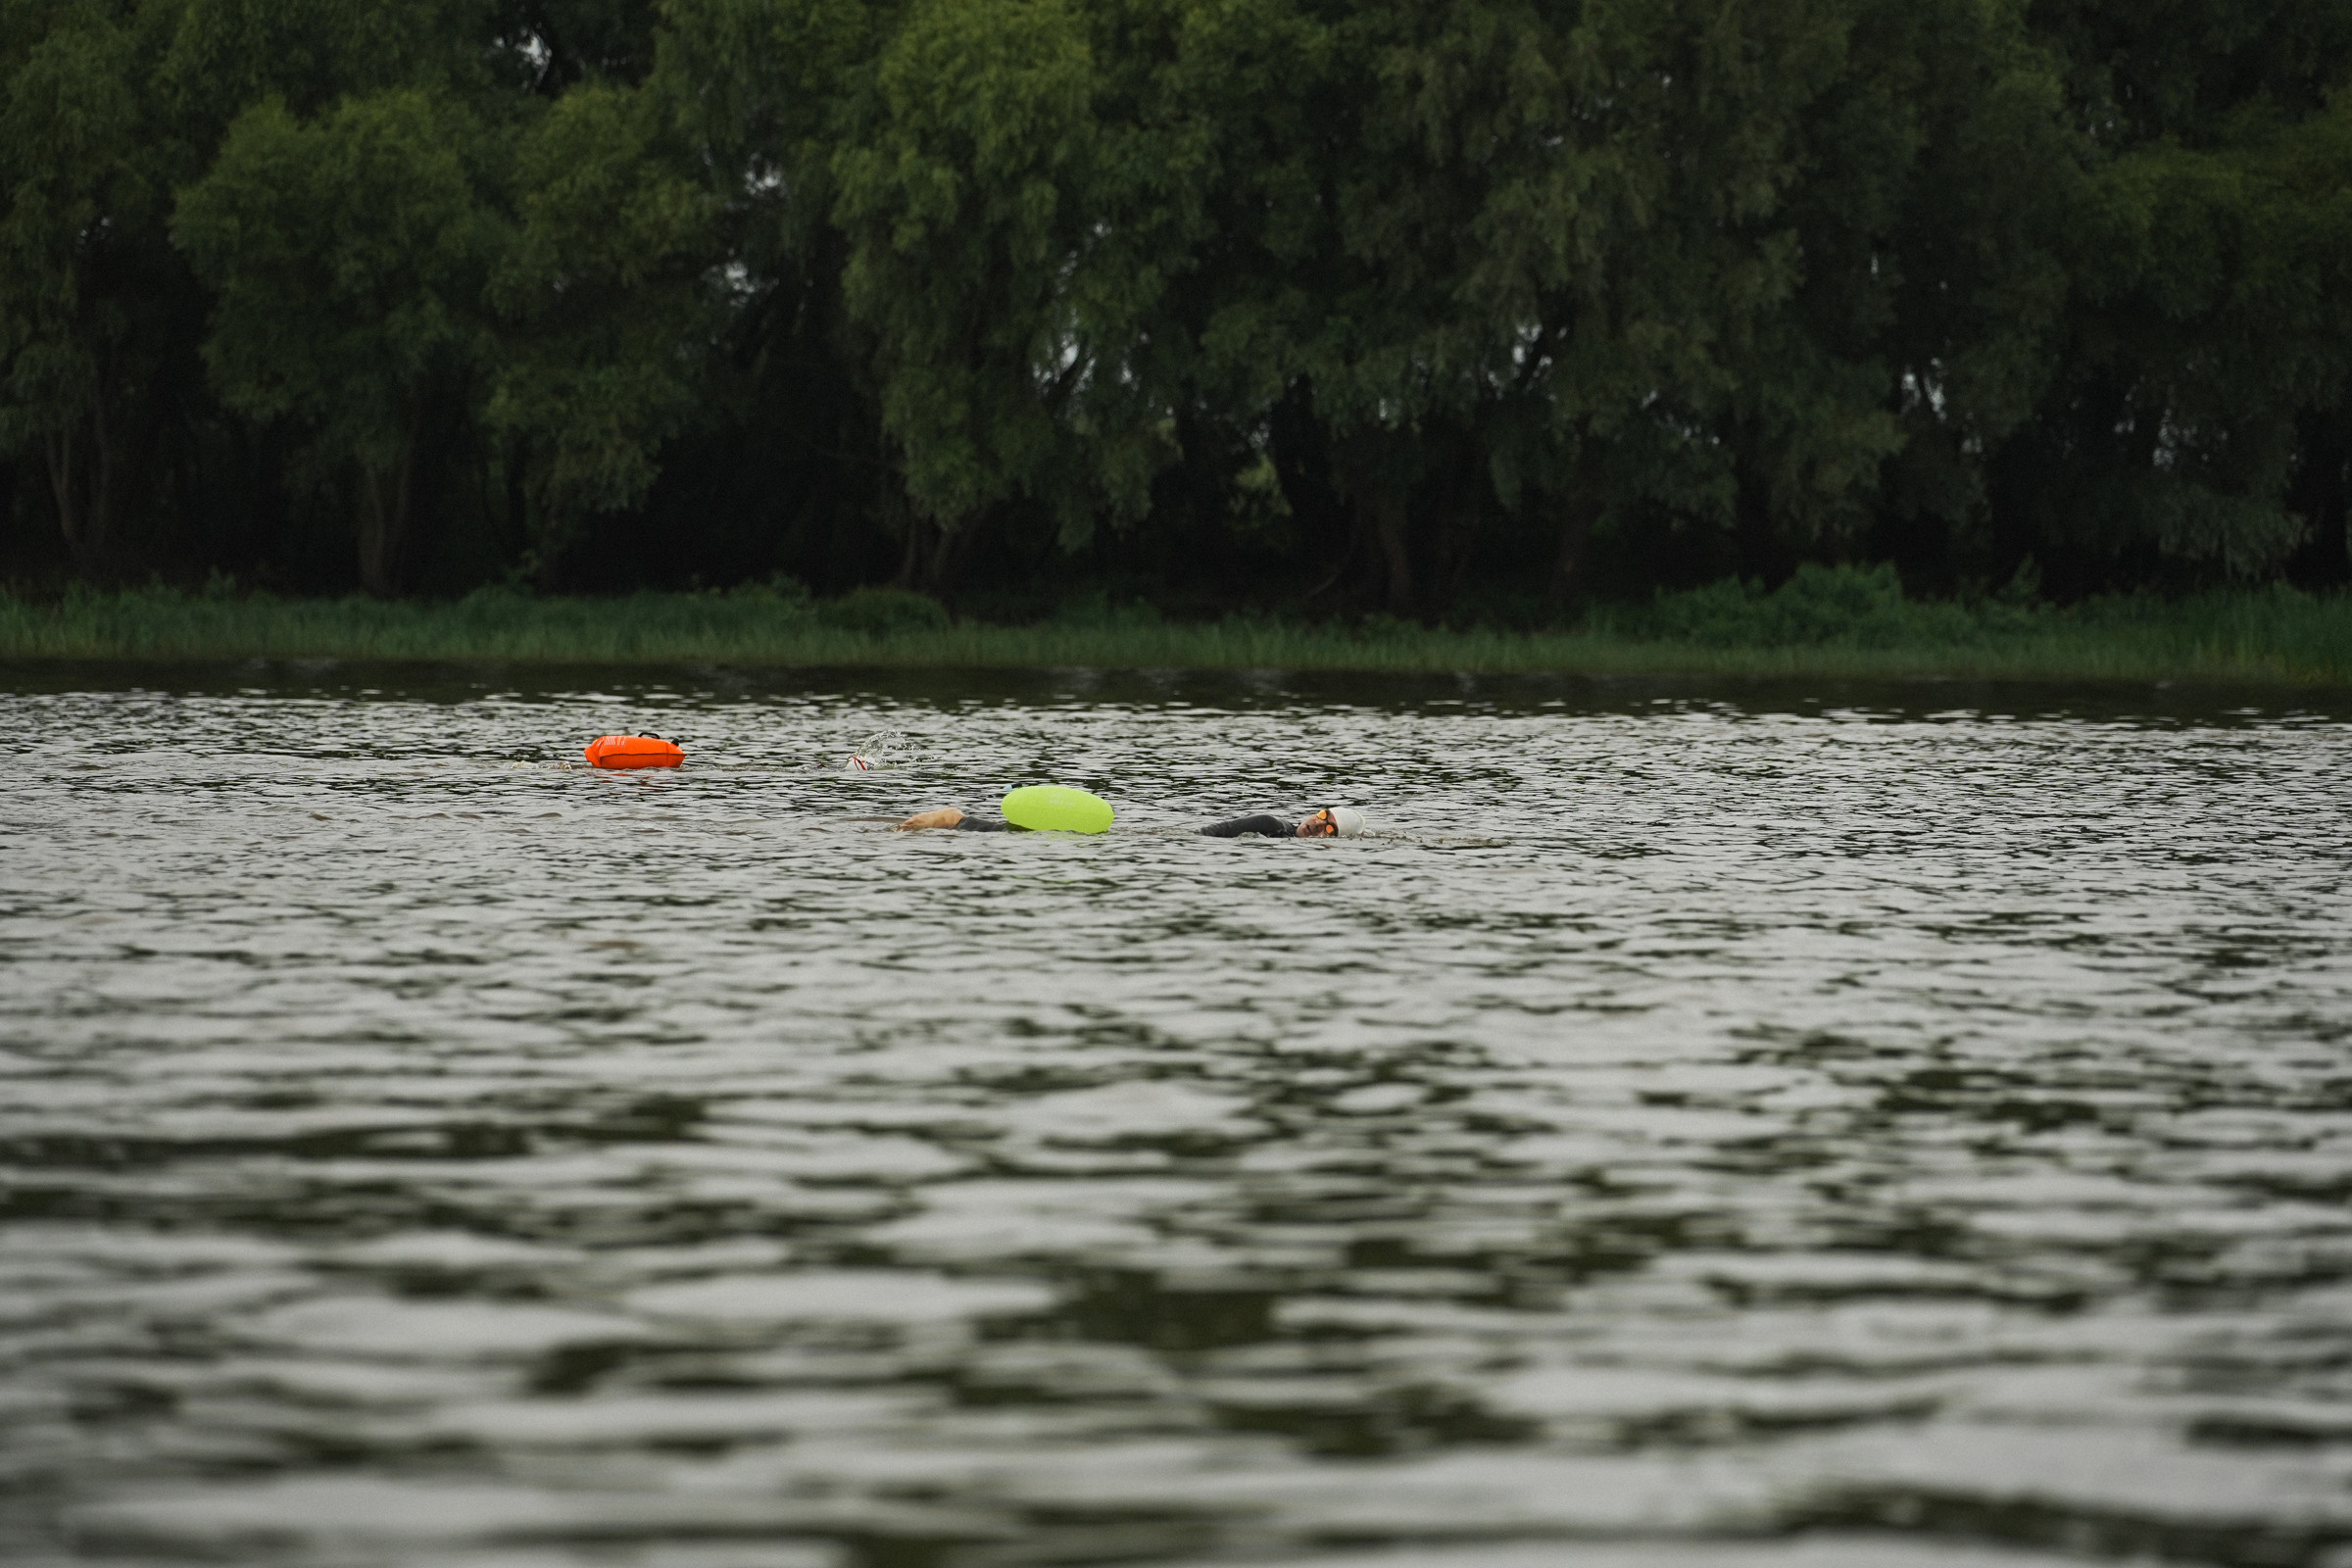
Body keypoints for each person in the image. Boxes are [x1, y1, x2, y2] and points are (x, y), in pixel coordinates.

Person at [894, 806, 1364, 837]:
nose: (1315, 825)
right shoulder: (1269, 824)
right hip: (1167, 842)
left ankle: (953, 820)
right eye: (1320, 814)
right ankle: (952, 818)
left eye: (1327, 828)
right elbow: (1204, 837)